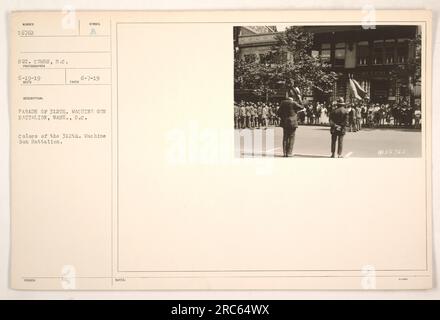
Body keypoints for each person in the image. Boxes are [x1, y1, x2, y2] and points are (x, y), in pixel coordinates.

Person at [277, 89, 303, 157]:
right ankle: (289, 153)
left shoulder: (283, 102)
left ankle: (284, 153)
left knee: (285, 137)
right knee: (291, 137)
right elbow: (302, 107)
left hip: (285, 121)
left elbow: (278, 112)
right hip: (293, 122)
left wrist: (283, 117)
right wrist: (300, 99)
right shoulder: (293, 103)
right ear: (293, 97)